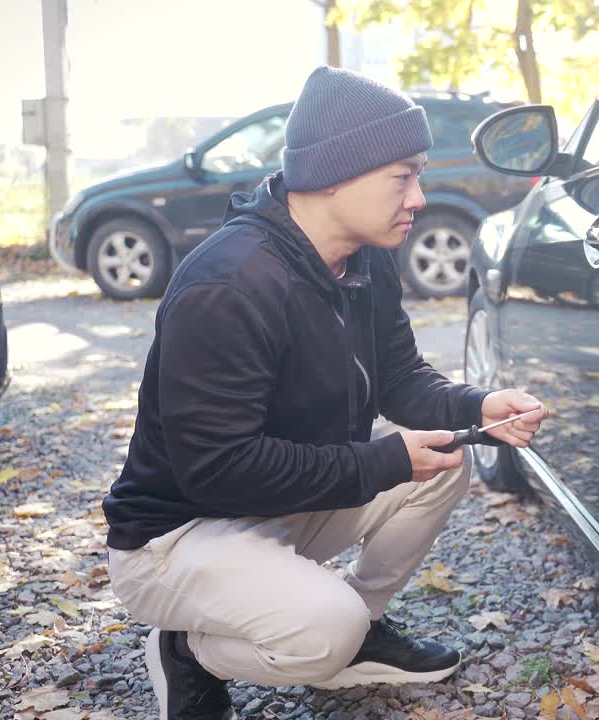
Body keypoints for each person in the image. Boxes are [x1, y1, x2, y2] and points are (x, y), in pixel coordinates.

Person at [102, 67, 546, 720]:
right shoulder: (229, 287)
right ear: (334, 173)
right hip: (174, 536)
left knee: (444, 464)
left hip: (270, 505)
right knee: (323, 632)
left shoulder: (366, 260)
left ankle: (357, 628)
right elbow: (217, 472)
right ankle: (189, 651)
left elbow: (397, 378)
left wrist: (474, 408)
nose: (419, 197)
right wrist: (386, 460)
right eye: (403, 176)